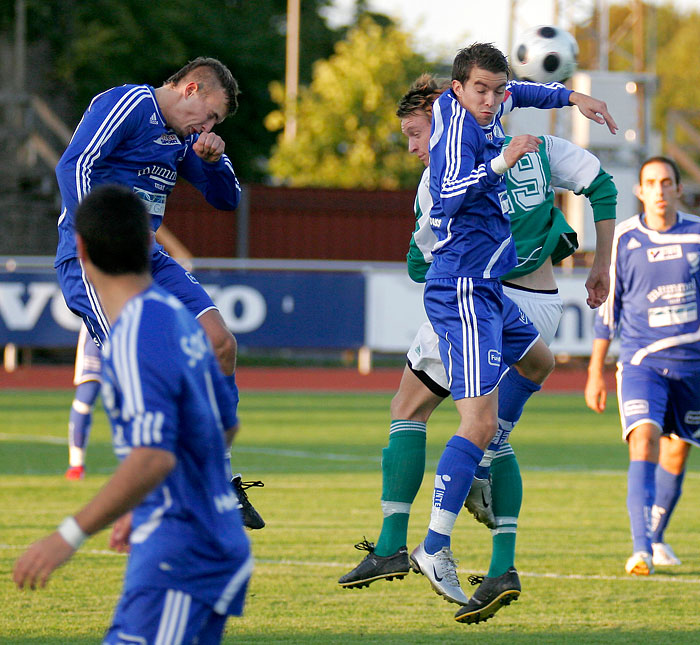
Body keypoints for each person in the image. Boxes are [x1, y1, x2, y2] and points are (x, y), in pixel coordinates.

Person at [339, 73, 617, 624]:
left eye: (415, 133)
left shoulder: (445, 171)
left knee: (414, 410)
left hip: (480, 300)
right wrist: (599, 261)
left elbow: (422, 261)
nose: (414, 148)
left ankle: (405, 543)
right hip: (543, 304)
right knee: (498, 432)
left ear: (440, 116)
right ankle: (502, 565)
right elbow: (603, 186)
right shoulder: (536, 148)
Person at [14, 185, 253, 644]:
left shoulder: (133, 333)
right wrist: (144, 501)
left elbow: (153, 457)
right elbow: (225, 422)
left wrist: (67, 534)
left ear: (79, 248)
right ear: (150, 242)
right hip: (205, 539)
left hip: (182, 551)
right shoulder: (177, 317)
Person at [52, 56, 263, 526]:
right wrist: (100, 236)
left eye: (214, 124)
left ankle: (219, 479)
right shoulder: (131, 103)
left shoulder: (186, 139)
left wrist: (215, 160)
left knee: (220, 342)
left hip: (150, 259)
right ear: (190, 89)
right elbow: (74, 167)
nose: (206, 126)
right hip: (97, 260)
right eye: (209, 114)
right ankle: (148, 495)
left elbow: (227, 199)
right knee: (138, 372)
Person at [585, 156, 699, 576]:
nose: (659, 190)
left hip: (691, 363)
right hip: (640, 363)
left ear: (678, 189)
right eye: (650, 182)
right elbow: (608, 311)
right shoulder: (624, 240)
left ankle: (657, 537)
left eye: (666, 182)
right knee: (644, 438)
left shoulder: (697, 236)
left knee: (677, 451)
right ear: (640, 191)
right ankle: (640, 550)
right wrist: (596, 370)